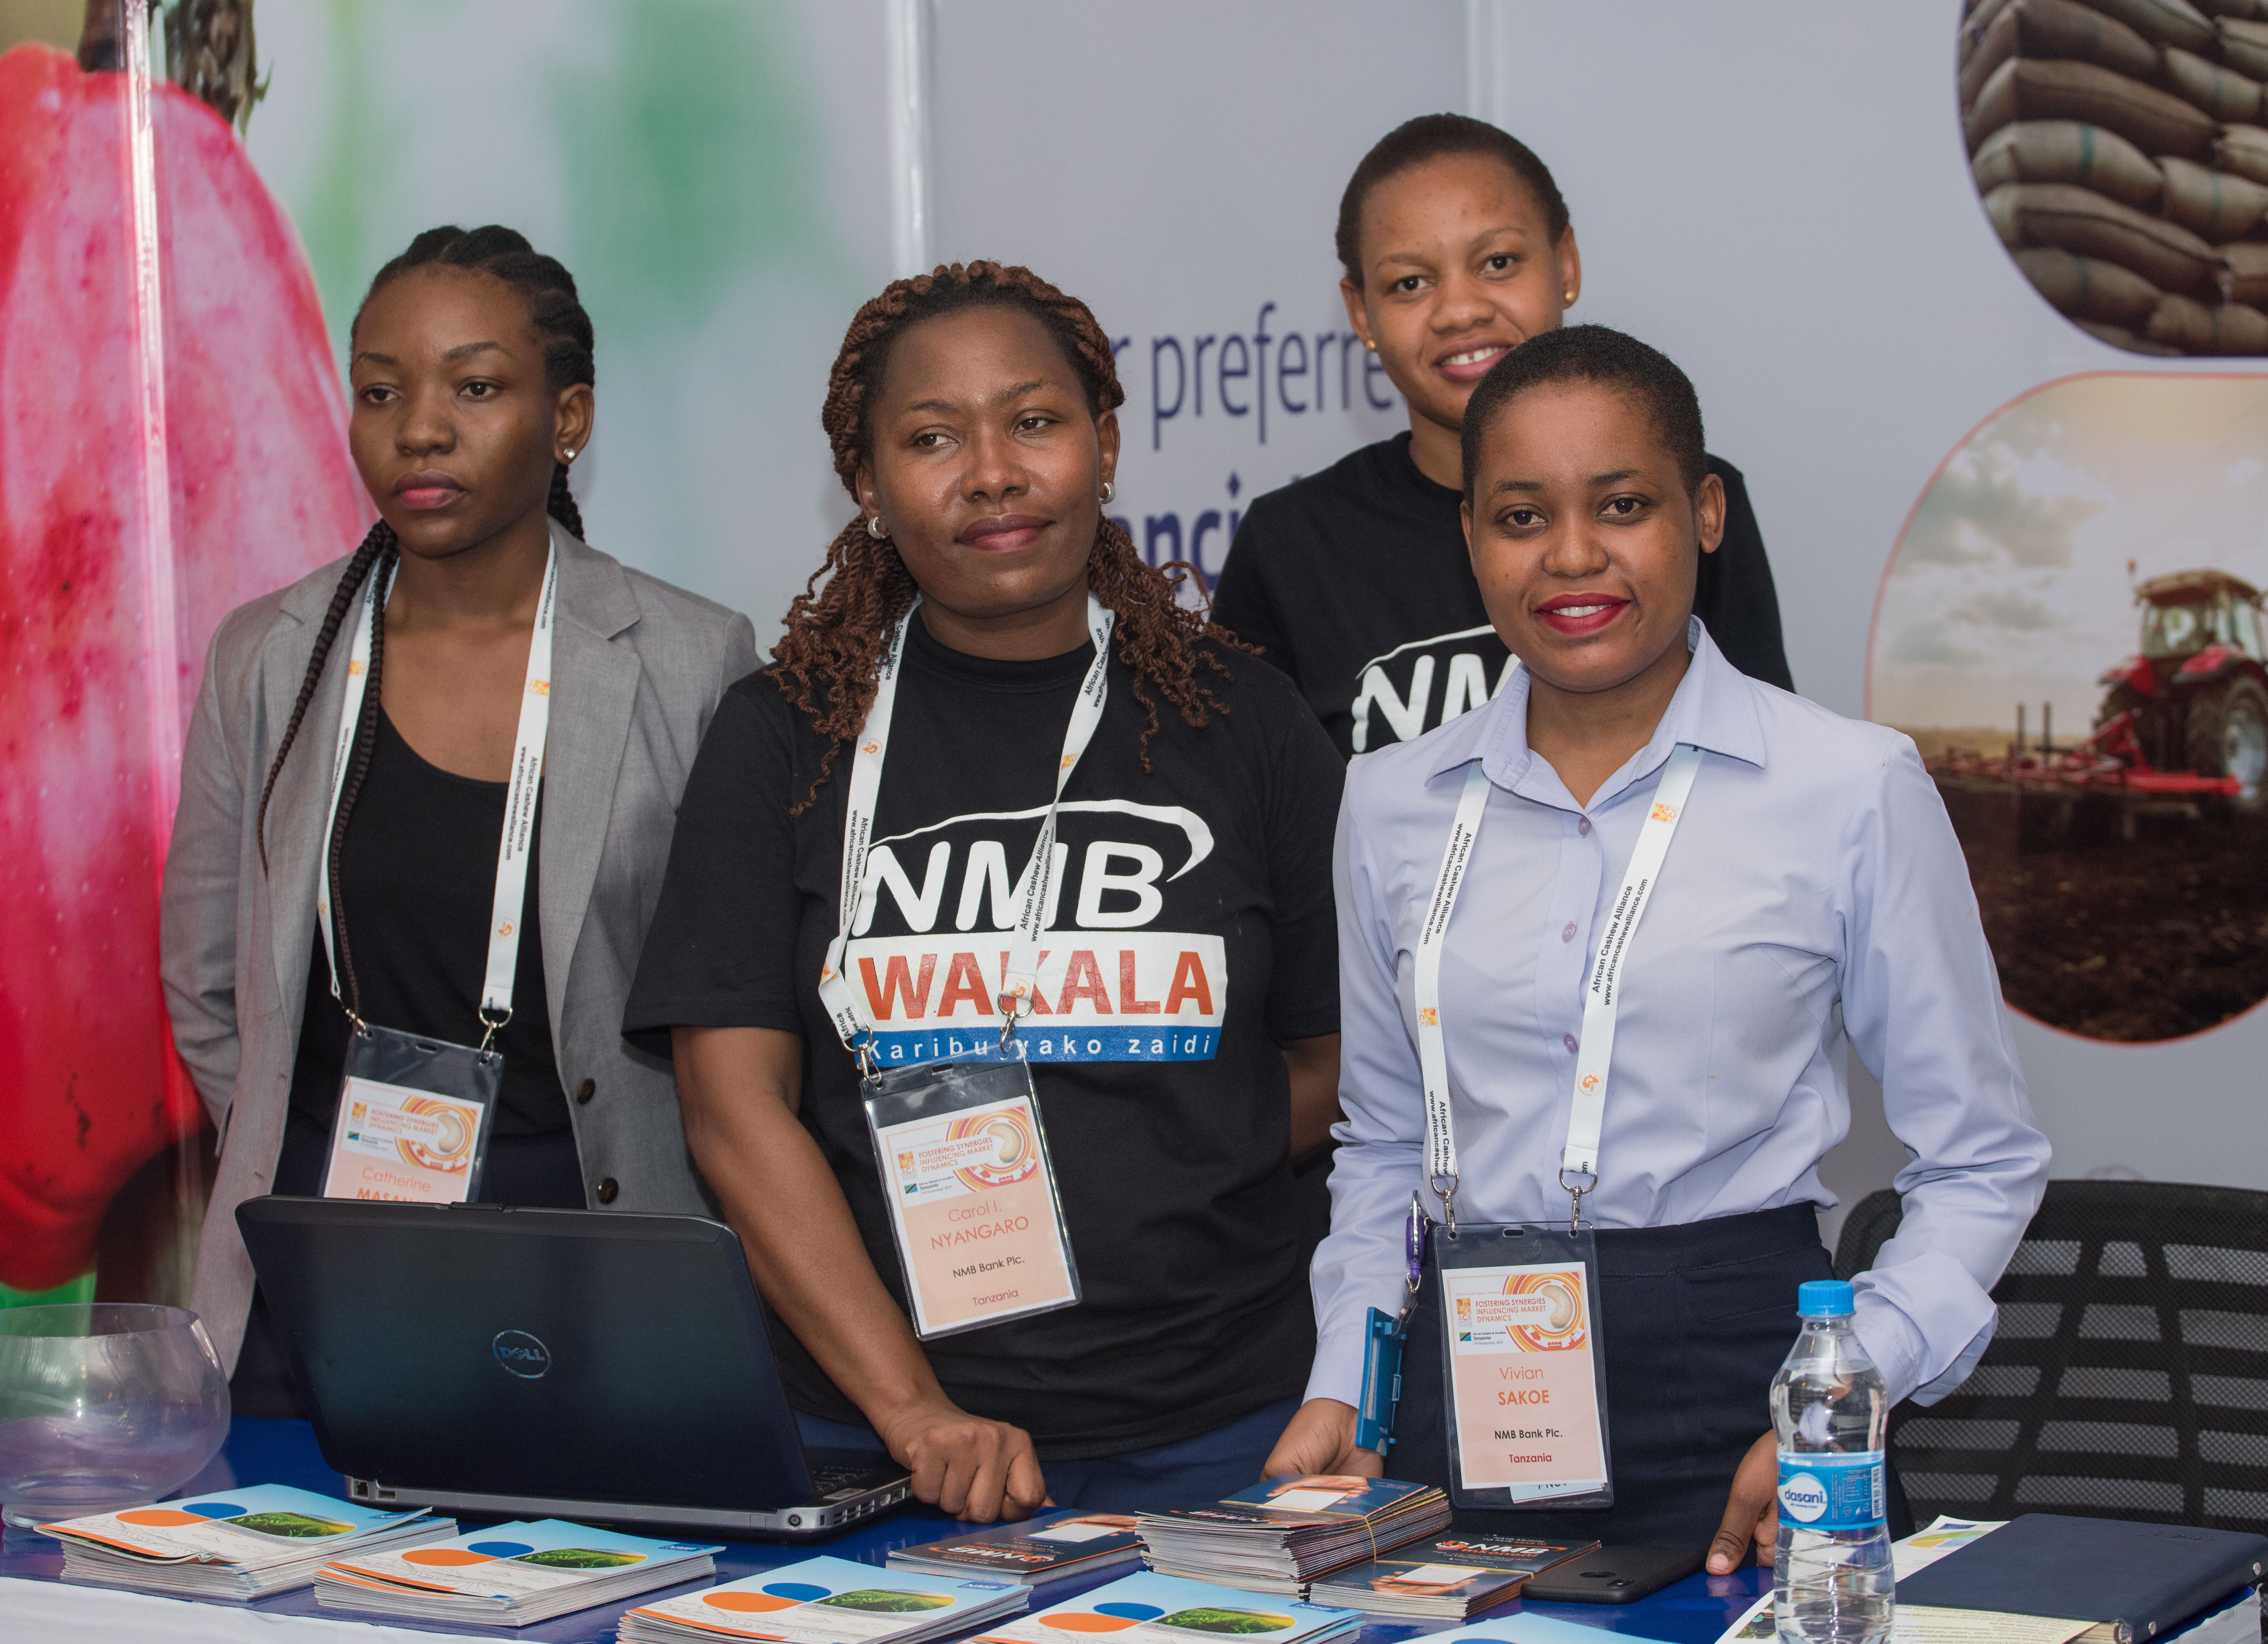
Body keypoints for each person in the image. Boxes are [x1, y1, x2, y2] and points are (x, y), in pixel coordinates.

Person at [1265, 326, 2048, 1572]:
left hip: (1753, 1400)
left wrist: (1841, 1397)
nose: (1573, 555)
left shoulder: (1850, 787)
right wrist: (1348, 1385)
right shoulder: (1392, 800)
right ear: (1471, 537)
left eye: (1623, 506)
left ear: (1707, 512)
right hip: (1463, 1402)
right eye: (1522, 517)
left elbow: (1982, 1160)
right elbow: (1385, 1148)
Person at [624, 261, 1346, 1520]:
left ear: (1104, 444)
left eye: (1035, 421)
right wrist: (914, 1411)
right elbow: (734, 1111)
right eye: (932, 439)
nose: (994, 473)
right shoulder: (784, 739)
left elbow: (1343, 1055)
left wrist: (1170, 1149)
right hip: (878, 1436)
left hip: (1226, 1427)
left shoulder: (1247, 721)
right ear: (866, 482)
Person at [161, 226, 758, 1409]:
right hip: (331, 1258)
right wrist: (295, 1142)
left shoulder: (691, 661)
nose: (420, 431)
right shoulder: (270, 656)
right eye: (381, 392)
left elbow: (741, 1010)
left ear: (568, 418)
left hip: (596, 1252)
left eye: (475, 388)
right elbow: (206, 980)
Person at [1212, 113, 1793, 762]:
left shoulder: (1675, 500)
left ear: (1565, 262)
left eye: (1498, 262)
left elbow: (1769, 757)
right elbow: (1249, 797)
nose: (1461, 310)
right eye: (1410, 283)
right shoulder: (1290, 544)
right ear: (1361, 312)